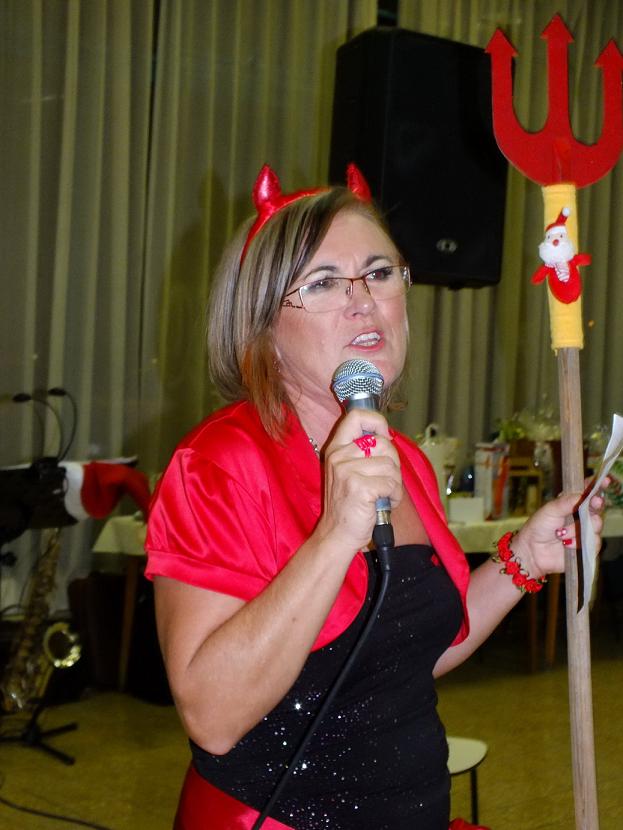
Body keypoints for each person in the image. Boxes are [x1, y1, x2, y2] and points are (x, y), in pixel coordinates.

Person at [145, 164, 606, 830]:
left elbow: (412, 655)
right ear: (262, 325)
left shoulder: (402, 459)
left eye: (380, 272)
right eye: (323, 282)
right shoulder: (218, 464)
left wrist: (525, 559)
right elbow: (212, 719)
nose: (362, 301)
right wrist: (335, 535)